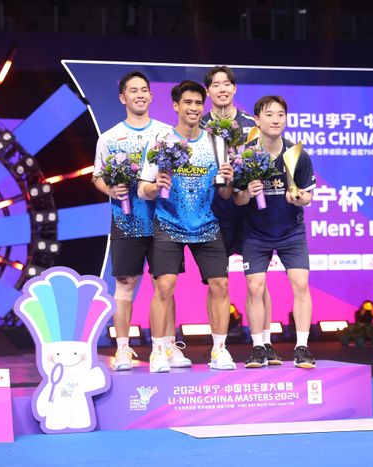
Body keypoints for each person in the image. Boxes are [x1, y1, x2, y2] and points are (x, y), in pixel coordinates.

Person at [92, 71, 190, 372]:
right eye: (133, 91)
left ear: (150, 96)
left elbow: (182, 170)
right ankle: (123, 349)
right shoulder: (108, 138)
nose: (140, 95)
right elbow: (96, 176)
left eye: (144, 90)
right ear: (123, 98)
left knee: (165, 285)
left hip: (164, 220)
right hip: (127, 221)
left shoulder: (166, 134)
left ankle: (169, 346)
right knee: (125, 283)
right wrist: (110, 188)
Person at [139, 80, 236, 373]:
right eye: (188, 103)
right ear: (176, 106)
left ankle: (219, 350)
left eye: (198, 103)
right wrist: (157, 186)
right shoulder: (161, 141)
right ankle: (159, 351)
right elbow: (143, 189)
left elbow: (225, 194)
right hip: (168, 222)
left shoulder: (216, 143)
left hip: (206, 224)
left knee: (221, 285)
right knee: (164, 286)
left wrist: (229, 180)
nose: (194, 108)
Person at [200, 66, 280, 365]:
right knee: (217, 283)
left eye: (227, 84)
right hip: (214, 214)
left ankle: (265, 343)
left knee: (257, 283)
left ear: (234, 89)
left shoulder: (252, 124)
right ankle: (218, 347)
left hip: (250, 214)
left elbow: (269, 159)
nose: (222, 89)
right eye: (215, 84)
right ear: (208, 91)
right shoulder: (201, 127)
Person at [234, 95, 317, 369]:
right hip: (256, 233)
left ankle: (302, 347)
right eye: (269, 114)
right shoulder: (246, 155)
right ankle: (259, 346)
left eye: (280, 114)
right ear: (257, 120)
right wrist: (248, 191)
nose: (275, 119)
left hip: (291, 232)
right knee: (254, 288)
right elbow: (237, 200)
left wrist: (299, 197)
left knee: (301, 285)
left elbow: (307, 197)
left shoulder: (296, 154)